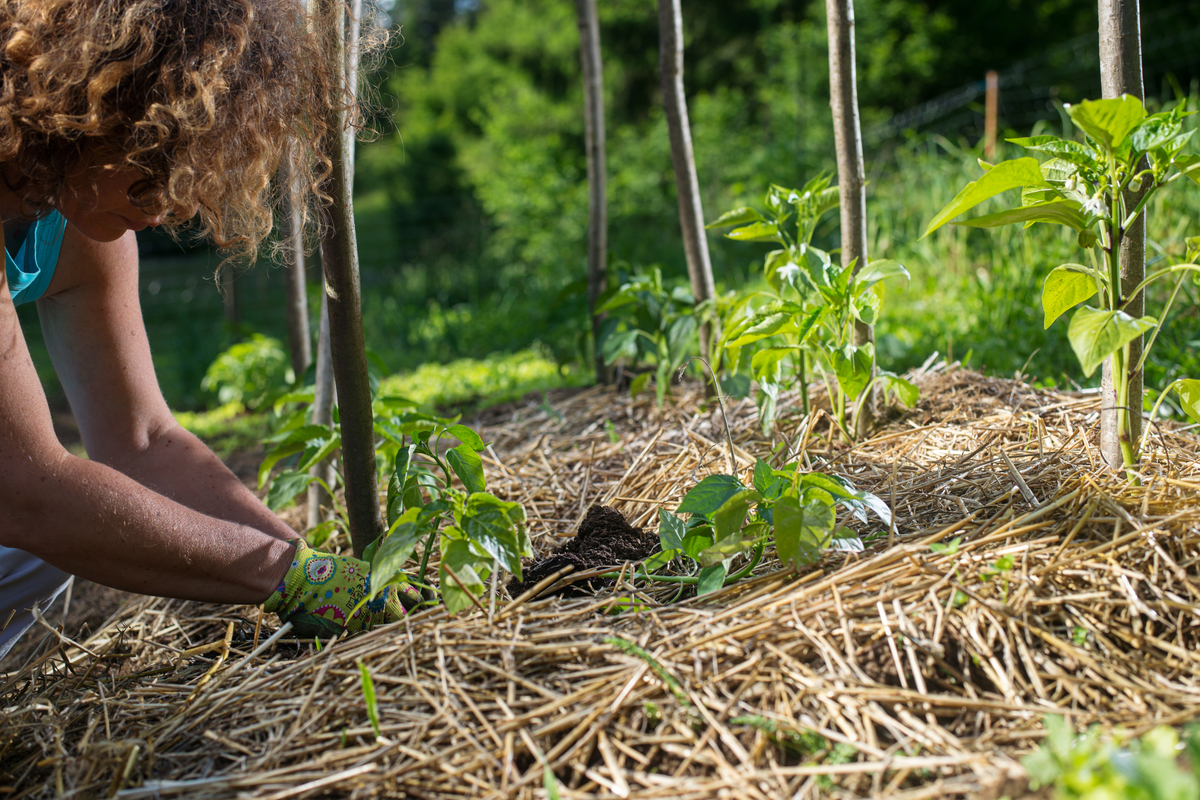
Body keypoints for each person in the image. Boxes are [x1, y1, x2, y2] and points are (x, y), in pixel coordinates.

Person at [0, 0, 415, 660]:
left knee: (29, 558)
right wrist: (283, 578)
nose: (182, 203)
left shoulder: (74, 228)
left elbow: (143, 440)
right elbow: (25, 491)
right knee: (34, 533)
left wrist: (300, 562)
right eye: (162, 160)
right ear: (91, 114)